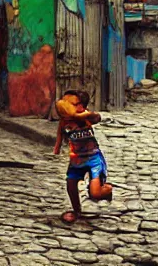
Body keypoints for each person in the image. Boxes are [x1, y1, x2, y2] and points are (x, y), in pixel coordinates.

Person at [53, 90, 112, 223]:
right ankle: (76, 210)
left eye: (77, 104)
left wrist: (83, 115)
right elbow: (60, 134)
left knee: (95, 194)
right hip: (76, 160)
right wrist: (57, 147)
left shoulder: (86, 117)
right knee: (70, 183)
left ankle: (108, 190)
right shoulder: (65, 122)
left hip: (93, 159)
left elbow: (97, 117)